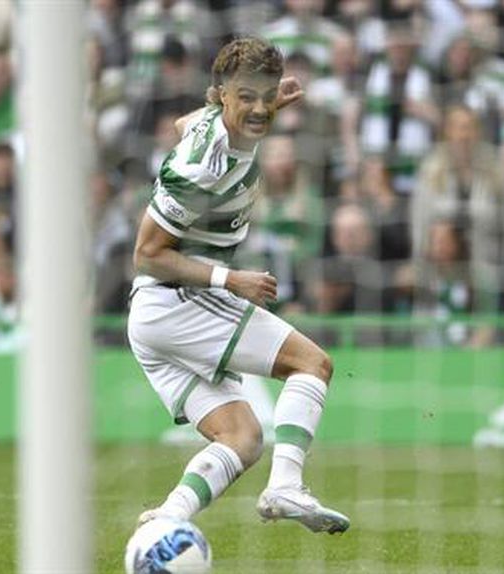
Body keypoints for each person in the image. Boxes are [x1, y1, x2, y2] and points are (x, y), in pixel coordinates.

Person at [127, 36, 349, 535]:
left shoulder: (216, 121)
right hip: (177, 302)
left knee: (242, 438)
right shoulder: (199, 168)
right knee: (312, 364)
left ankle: (166, 524)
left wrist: (253, 104)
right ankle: (285, 486)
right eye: (245, 96)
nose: (259, 108)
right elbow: (146, 255)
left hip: (152, 319)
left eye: (266, 96)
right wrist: (231, 279)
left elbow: (185, 124)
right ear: (222, 93)